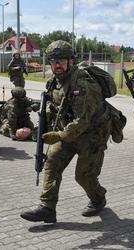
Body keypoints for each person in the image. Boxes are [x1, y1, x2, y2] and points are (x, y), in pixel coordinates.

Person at [20, 40, 113, 223]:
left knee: (84, 176)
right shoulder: (54, 82)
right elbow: (55, 109)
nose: (57, 65)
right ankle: (47, 208)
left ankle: (98, 198)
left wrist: (59, 135)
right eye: (53, 62)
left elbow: (83, 120)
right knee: (52, 161)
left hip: (92, 135)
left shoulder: (82, 82)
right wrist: (36, 130)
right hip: (69, 133)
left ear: (71, 61)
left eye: (61, 61)